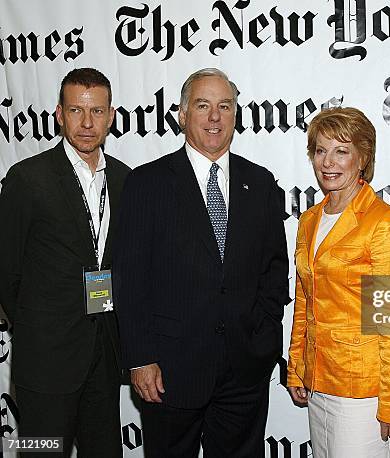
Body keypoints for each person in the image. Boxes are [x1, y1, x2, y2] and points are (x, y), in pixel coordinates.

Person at [113, 68, 289, 458]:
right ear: (181, 113)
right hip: (169, 373)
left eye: (224, 106)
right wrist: (141, 358)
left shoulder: (259, 183)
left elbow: (274, 271)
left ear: (235, 115)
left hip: (244, 373)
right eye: (203, 105)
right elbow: (128, 280)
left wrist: (260, 337)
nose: (215, 117)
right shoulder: (147, 183)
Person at [0, 68, 130, 457]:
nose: (87, 123)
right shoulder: (27, 178)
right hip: (45, 361)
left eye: (97, 112)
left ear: (110, 115)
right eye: (76, 111)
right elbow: (6, 271)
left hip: (104, 355)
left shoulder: (125, 179)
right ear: (59, 114)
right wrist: (39, 329)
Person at [286, 107, 390, 457]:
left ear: (363, 157)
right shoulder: (310, 220)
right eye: (320, 150)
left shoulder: (384, 223)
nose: (328, 162)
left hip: (364, 392)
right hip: (318, 382)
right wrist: (297, 367)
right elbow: (304, 303)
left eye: (341, 150)